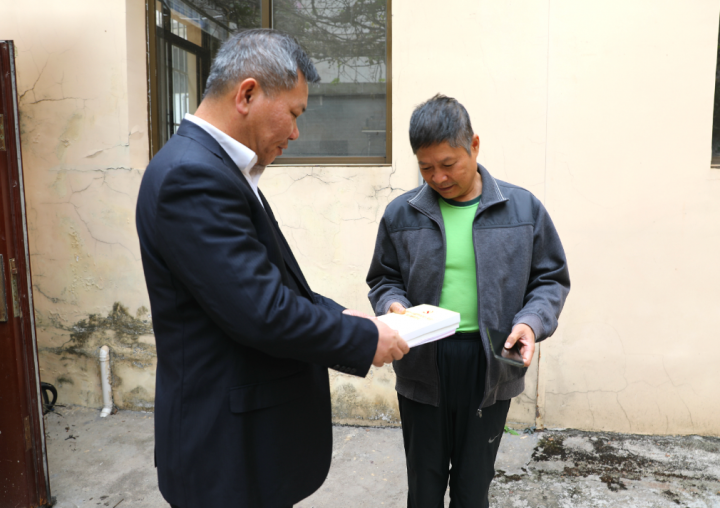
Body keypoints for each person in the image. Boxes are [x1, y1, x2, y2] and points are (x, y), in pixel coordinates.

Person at [136, 29, 408, 508]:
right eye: (295, 113)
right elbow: (263, 312)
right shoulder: (192, 176)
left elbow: (269, 283)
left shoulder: (215, 168)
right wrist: (365, 339)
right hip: (225, 449)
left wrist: (348, 316)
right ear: (247, 94)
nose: (296, 133)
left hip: (241, 442)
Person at [367, 94, 570, 508]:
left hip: (491, 362)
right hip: (423, 360)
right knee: (423, 486)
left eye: (448, 164)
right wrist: (392, 305)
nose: (438, 177)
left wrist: (530, 322)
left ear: (474, 146)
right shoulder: (401, 214)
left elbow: (550, 279)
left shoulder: (522, 209)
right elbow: (384, 278)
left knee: (473, 488)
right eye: (426, 167)